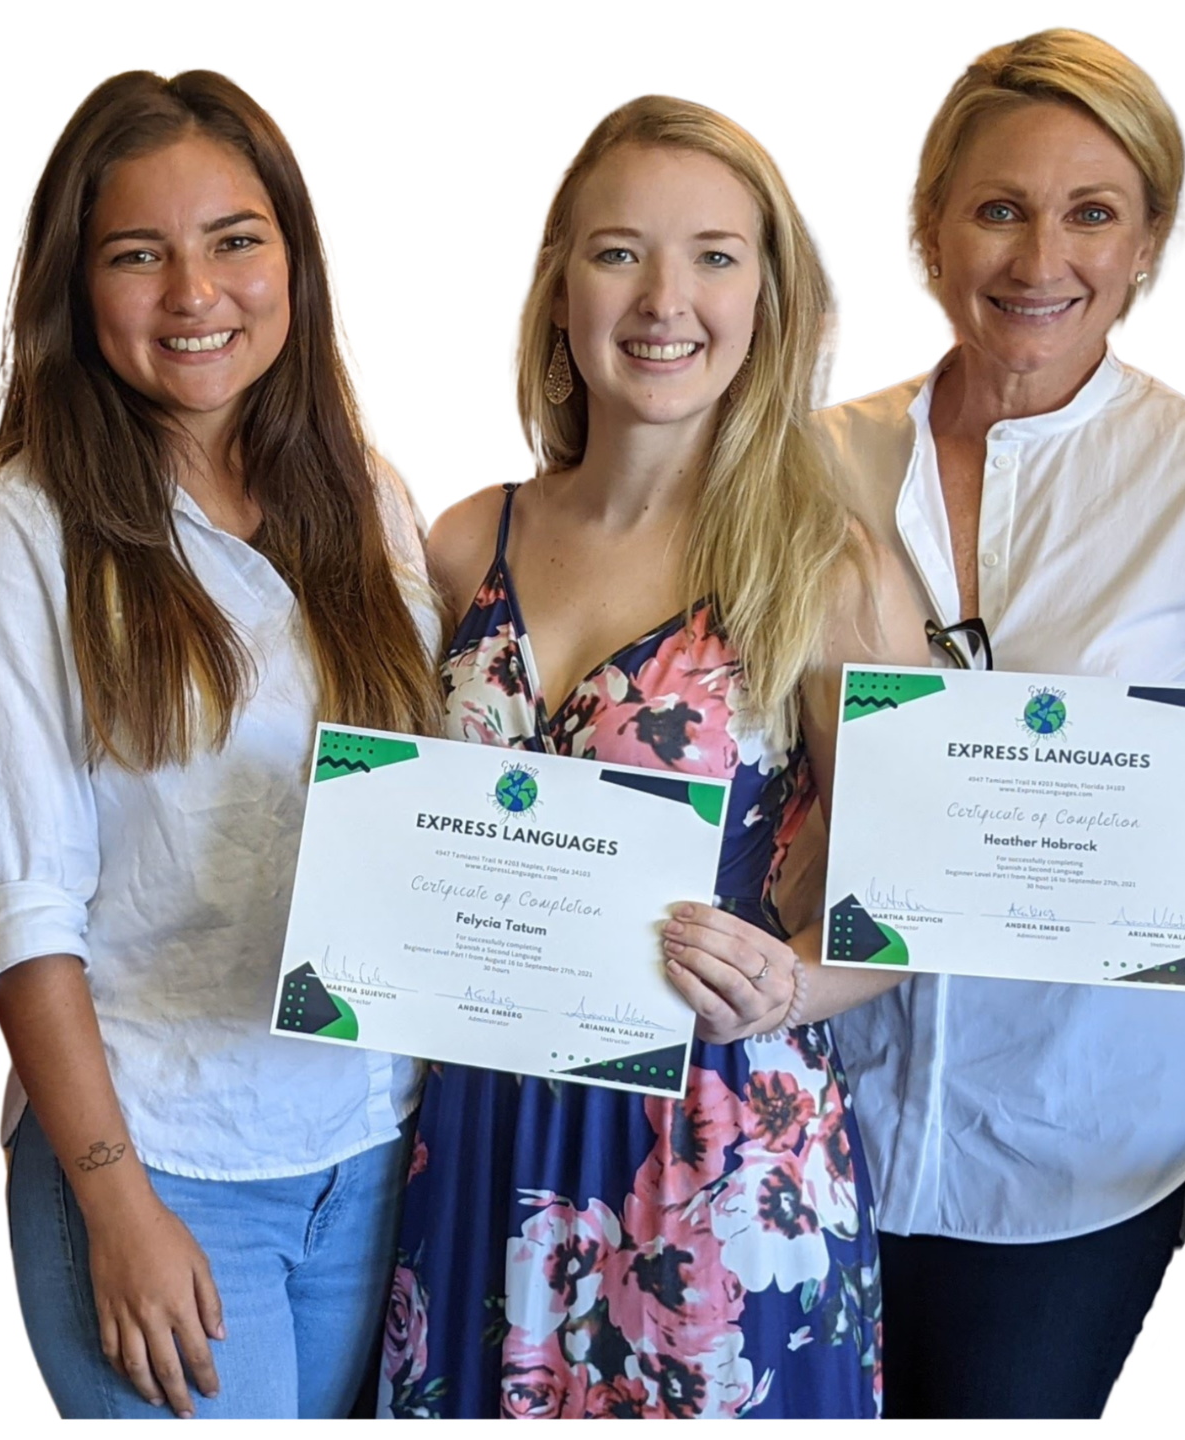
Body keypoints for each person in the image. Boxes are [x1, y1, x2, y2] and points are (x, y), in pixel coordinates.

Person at [814, 25, 1185, 1420]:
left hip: (1090, 1123)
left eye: (1093, 213)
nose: (1040, 258)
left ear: (1150, 247)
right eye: (999, 208)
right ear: (927, 232)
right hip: (811, 1092)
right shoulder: (798, 467)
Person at [378, 93, 932, 1421]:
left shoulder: (828, 565)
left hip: (717, 1156)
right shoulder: (459, 541)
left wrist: (792, 986)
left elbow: (916, 895)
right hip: (480, 1129)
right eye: (620, 251)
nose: (664, 299)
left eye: (714, 255)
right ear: (559, 281)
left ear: (768, 296)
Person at [0, 67, 445, 1421]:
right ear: (72, 284)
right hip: (163, 1156)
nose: (194, 293)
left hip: (370, 1144)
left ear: (296, 259)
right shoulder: (23, 525)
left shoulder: (363, 490)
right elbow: (17, 905)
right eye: (137, 255)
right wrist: (116, 1206)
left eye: (233, 241)